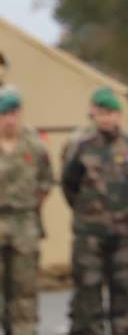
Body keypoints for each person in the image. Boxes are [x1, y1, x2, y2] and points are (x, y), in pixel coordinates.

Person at [61, 87, 128, 335]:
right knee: (88, 287)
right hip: (89, 231)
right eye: (101, 112)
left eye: (111, 112)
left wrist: (125, 207)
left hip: (124, 230)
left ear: (119, 115)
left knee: (123, 286)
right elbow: (69, 184)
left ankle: (123, 329)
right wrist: (89, 210)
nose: (106, 118)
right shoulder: (80, 146)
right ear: (93, 114)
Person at [0, 88, 52, 335]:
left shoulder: (35, 146)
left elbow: (45, 182)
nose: (9, 120)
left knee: (24, 292)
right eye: (3, 114)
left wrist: (30, 207)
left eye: (13, 113)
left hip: (24, 224)